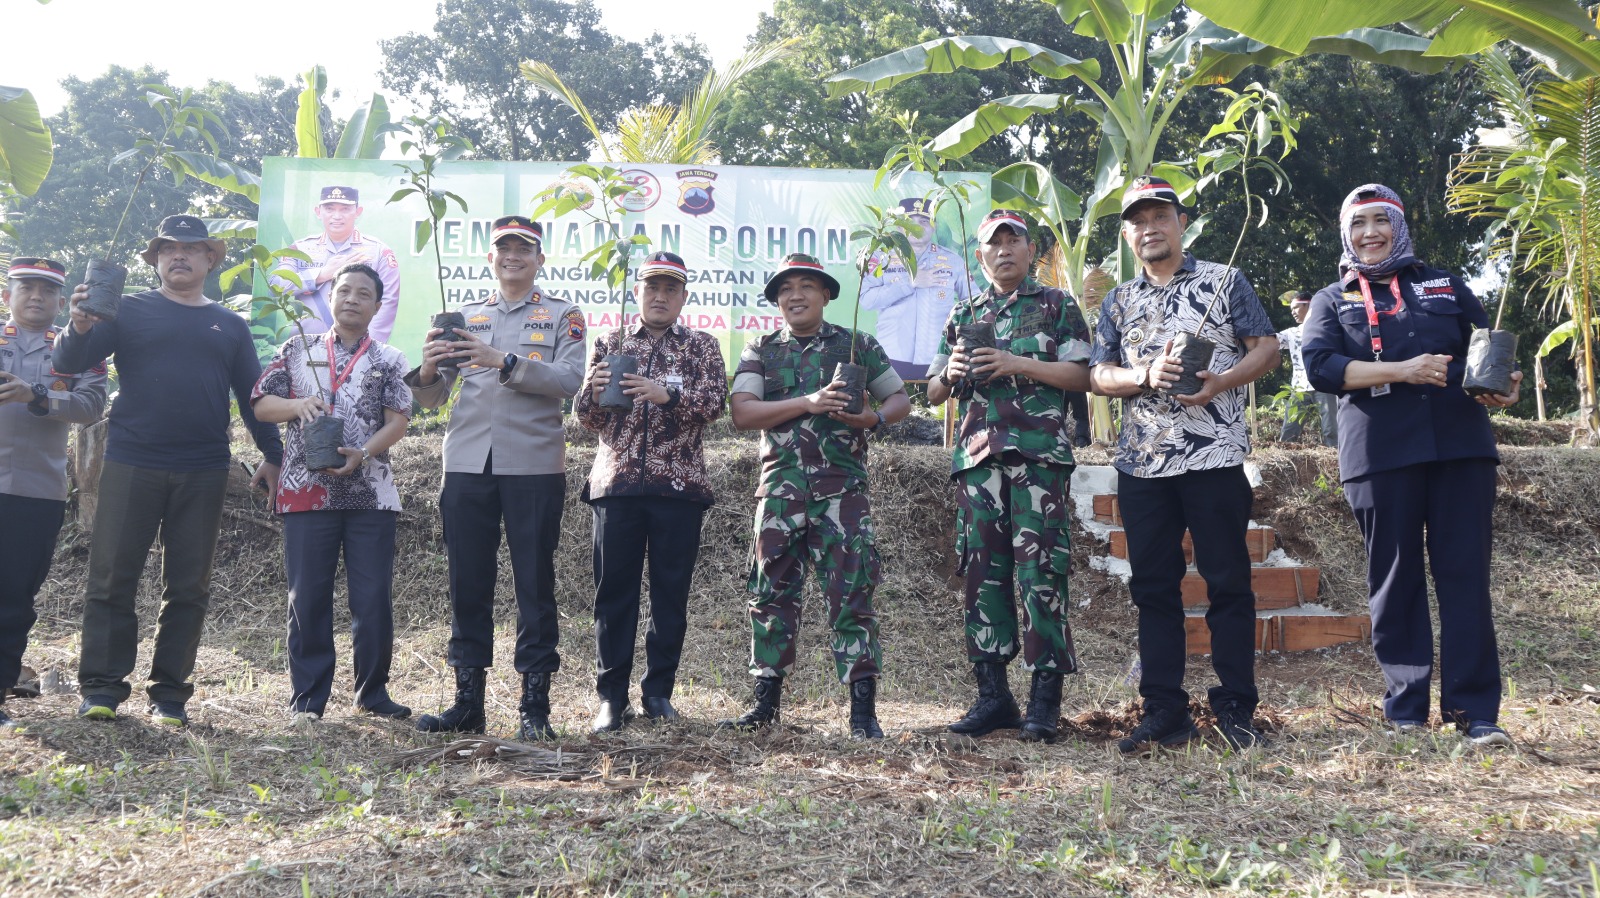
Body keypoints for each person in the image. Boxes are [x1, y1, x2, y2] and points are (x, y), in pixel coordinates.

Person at [1301, 183, 1520, 747]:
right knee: (1394, 582)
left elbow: (1485, 348)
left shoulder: (1444, 283)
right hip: (1379, 453)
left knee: (1464, 578)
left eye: (1381, 220)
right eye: (1358, 223)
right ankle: (1405, 710)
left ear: (1398, 226)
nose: (1369, 233)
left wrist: (1506, 387)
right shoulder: (1332, 298)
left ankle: (1476, 714)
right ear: (1346, 233)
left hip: (1459, 447)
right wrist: (1402, 369)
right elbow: (1323, 368)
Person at [56, 214, 283, 727]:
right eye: (168, 249)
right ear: (156, 260)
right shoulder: (126, 310)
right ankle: (102, 689)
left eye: (191, 248)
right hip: (133, 459)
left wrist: (272, 454)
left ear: (210, 259)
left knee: (188, 584)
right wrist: (80, 323)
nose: (178, 256)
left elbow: (253, 397)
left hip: (203, 466)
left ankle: (170, 695)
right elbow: (70, 362)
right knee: (112, 576)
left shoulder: (230, 324)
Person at [1088, 177, 1280, 753]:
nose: (1150, 227)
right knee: (1153, 588)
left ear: (1179, 222)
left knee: (1227, 581)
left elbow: (1266, 347)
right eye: (1138, 220)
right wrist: (1142, 375)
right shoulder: (1118, 301)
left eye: (1160, 215)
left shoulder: (1224, 281)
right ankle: (1164, 710)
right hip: (1143, 464)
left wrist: (1222, 380)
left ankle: (1236, 710)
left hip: (1214, 455)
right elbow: (1098, 375)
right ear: (1127, 234)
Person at [404, 216, 585, 740]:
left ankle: (534, 707)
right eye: (503, 249)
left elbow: (570, 380)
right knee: (468, 580)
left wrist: (502, 360)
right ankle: (468, 703)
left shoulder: (562, 314)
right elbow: (433, 399)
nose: (513, 257)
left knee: (534, 582)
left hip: (532, 464)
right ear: (491, 258)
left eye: (523, 249)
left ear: (539, 260)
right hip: (465, 462)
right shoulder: (467, 317)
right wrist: (431, 368)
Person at [721, 252, 910, 739]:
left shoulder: (856, 345)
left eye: (807, 286)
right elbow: (743, 413)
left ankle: (862, 713)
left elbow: (899, 399)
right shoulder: (760, 350)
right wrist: (806, 403)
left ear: (826, 294)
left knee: (852, 596)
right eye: (786, 289)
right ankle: (765, 705)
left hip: (841, 493)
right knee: (769, 595)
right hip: (779, 492)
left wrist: (873, 419)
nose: (795, 295)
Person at [926, 210, 1092, 744]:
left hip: (1039, 460)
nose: (1003, 250)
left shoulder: (1057, 305)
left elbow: (1081, 375)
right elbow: (930, 390)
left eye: (1012, 240)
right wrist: (949, 374)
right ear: (980, 257)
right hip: (977, 461)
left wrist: (1015, 362)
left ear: (1029, 250)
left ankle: (1045, 701)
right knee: (982, 577)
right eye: (992, 244)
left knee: (1042, 575)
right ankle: (993, 696)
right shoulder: (964, 312)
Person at [251, 263, 413, 722]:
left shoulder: (389, 358)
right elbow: (263, 405)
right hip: (307, 493)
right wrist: (297, 404)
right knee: (307, 596)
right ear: (331, 298)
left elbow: (398, 419)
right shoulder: (296, 349)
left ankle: (373, 693)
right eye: (344, 291)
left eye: (365, 294)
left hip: (370, 494)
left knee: (372, 597)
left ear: (377, 306)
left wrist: (363, 451)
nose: (352, 299)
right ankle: (308, 699)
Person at [575, 251, 726, 731]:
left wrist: (668, 394)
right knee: (612, 594)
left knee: (669, 596)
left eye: (670, 289)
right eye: (651, 288)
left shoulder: (701, 346)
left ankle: (658, 692)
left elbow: (714, 404)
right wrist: (594, 394)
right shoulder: (610, 341)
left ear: (683, 297)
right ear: (638, 293)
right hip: (616, 485)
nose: (660, 296)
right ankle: (610, 699)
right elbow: (586, 417)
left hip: (677, 488)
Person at [0, 258, 107, 729]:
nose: (37, 297)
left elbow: (90, 406)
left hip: (36, 492)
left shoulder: (78, 351)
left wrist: (36, 397)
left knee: (15, 596)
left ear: (62, 302)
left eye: (47, 290)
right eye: (27, 287)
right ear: (8, 295)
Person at [858, 197, 974, 380]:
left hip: (940, 356)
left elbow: (974, 302)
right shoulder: (881, 259)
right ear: (898, 227)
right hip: (891, 355)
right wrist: (909, 283)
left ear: (933, 226)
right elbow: (866, 300)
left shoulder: (954, 261)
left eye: (924, 221)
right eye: (910, 222)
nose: (917, 227)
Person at [270, 186, 402, 343]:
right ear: (318, 212)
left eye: (345, 209)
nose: (337, 216)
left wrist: (370, 349)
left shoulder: (379, 251)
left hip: (356, 349)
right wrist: (320, 274)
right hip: (306, 348)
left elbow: (386, 302)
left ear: (358, 212)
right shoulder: (298, 249)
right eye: (329, 209)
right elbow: (276, 287)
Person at [1277, 290, 1339, 446]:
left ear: (1309, 306)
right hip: (1299, 388)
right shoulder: (1292, 333)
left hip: (1324, 383)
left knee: (1331, 428)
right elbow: (1270, 342)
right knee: (1289, 428)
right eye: (1291, 309)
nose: (1293, 313)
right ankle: (1286, 460)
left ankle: (1335, 460)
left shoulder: (1327, 327)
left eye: (1296, 308)